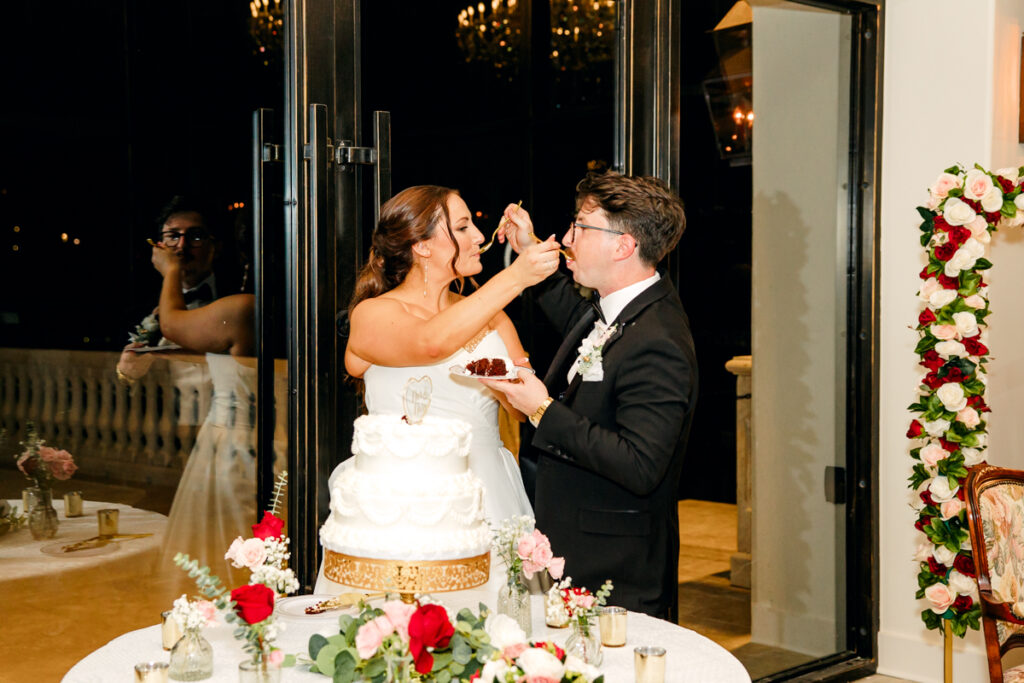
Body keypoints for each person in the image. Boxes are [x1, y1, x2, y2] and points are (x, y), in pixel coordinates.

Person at [314, 184, 561, 593]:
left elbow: (521, 411)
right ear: (422, 246)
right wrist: (516, 275)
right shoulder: (373, 314)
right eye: (462, 228)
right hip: (403, 500)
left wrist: (508, 386)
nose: (479, 237)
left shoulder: (492, 316)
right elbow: (430, 343)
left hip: (485, 494)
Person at [482, 171, 697, 621]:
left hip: (614, 570)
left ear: (623, 246)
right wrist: (527, 250)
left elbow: (640, 465)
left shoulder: (659, 339)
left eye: (581, 226)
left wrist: (541, 409)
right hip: (577, 549)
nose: (567, 237)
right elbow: (575, 317)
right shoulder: (621, 308)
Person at [151, 234, 261, 587]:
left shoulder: (243, 308)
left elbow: (171, 323)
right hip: (278, 439)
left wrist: (170, 271)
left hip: (233, 443)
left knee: (225, 544)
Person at [115, 198, 223, 428]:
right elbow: (123, 384)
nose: (181, 247)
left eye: (194, 236)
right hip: (163, 436)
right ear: (158, 247)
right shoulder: (139, 310)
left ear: (215, 246)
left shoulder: (235, 300)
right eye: (173, 236)